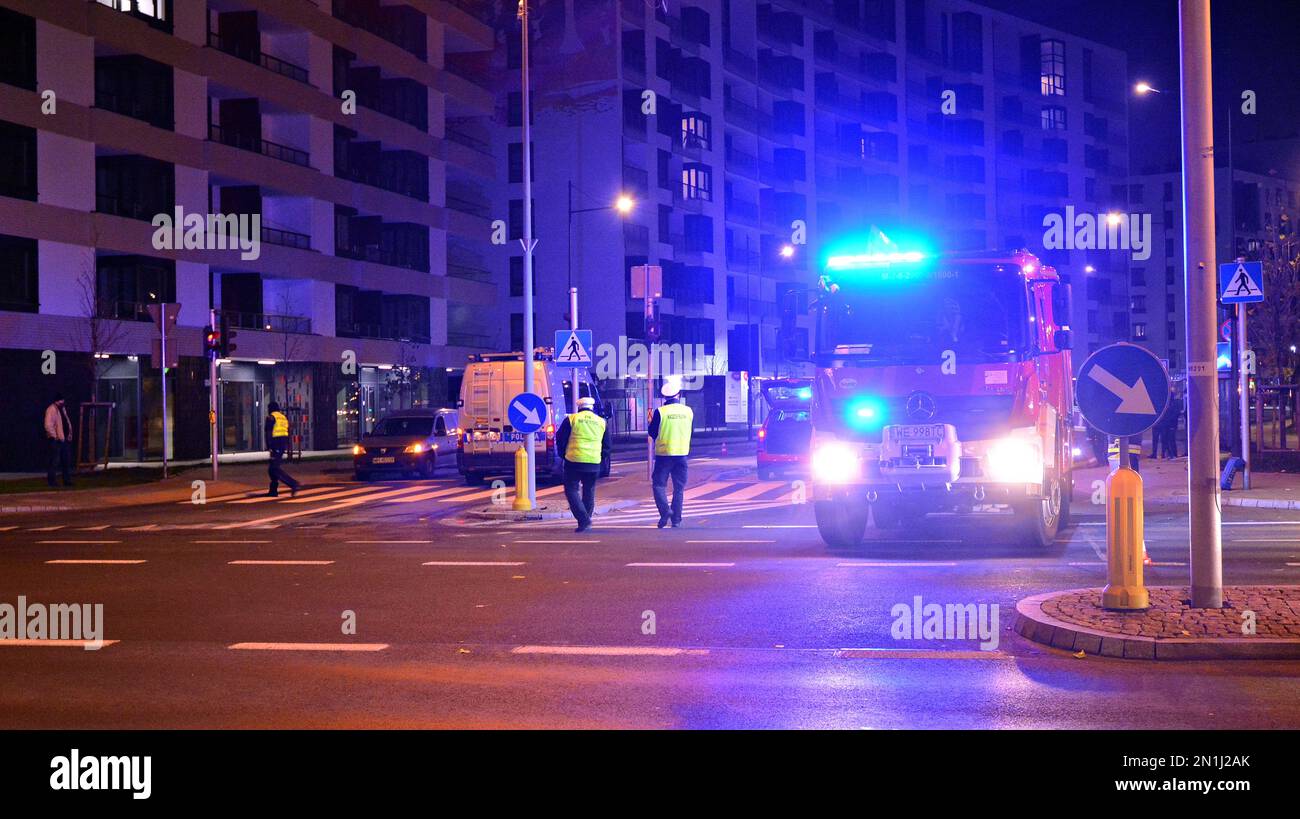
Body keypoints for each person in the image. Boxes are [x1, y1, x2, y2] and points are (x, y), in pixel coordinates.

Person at [555, 396, 610, 533]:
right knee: (589, 490)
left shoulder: (572, 419)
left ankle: (584, 520)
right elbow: (607, 446)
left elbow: (560, 438)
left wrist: (563, 454)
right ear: (592, 408)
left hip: (574, 461)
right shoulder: (601, 422)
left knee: (571, 490)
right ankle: (585, 520)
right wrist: (599, 457)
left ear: (579, 407)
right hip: (593, 462)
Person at [649, 379, 694, 528]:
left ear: (664, 397)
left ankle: (665, 511)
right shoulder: (688, 411)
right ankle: (676, 520)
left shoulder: (660, 412)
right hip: (682, 454)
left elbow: (652, 432)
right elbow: (690, 430)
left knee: (658, 485)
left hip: (664, 455)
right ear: (679, 395)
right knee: (679, 488)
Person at [264, 401, 299, 497]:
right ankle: (273, 490)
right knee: (272, 468)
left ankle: (293, 484)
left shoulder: (271, 417)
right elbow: (288, 431)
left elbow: (268, 433)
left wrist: (269, 447)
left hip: (275, 444)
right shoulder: (283, 417)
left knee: (274, 468)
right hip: (282, 444)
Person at [44, 393, 73, 488]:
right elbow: (48, 424)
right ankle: (52, 481)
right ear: (58, 400)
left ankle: (67, 480)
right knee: (54, 461)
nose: (63, 402)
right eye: (62, 400)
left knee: (66, 461)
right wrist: (54, 436)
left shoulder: (61, 410)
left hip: (63, 439)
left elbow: (66, 422)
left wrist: (69, 434)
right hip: (56, 440)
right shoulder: (51, 409)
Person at [1161, 389, 1185, 458]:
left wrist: (1168, 421)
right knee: (1166, 439)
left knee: (1171, 439)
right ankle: (1169, 453)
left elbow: (1175, 414)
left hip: (1171, 424)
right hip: (1167, 424)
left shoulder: (1174, 404)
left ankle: (1173, 454)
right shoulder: (1167, 404)